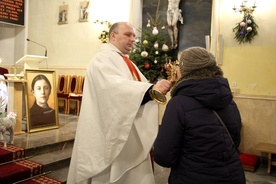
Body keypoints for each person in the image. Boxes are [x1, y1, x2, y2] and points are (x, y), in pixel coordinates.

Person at [67, 22, 171, 184]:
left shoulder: (124, 60)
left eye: (134, 36)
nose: (133, 39)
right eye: (127, 35)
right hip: (109, 130)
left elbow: (138, 88)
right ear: (113, 36)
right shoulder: (102, 59)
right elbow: (115, 90)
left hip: (128, 129)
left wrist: (153, 89)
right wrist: (151, 89)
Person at [153, 47, 246, 184]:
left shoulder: (178, 104)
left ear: (185, 70)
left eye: (179, 65)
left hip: (192, 177)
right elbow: (234, 141)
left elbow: (164, 157)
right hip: (231, 176)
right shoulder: (228, 101)